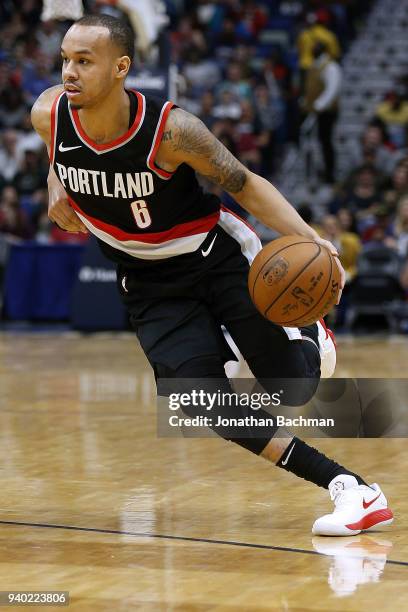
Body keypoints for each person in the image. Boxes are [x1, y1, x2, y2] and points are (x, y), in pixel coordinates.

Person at [31, 14, 393, 536]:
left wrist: (314, 240)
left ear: (121, 68)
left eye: (84, 61)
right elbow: (58, 152)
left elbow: (244, 184)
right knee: (201, 400)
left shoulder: (173, 132)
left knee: (290, 387)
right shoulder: (49, 113)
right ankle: (350, 488)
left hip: (213, 257)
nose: (69, 71)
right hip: (145, 281)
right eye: (65, 59)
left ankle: (311, 336)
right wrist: (53, 182)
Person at [304, 41, 342, 184]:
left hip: (326, 111)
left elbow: (332, 89)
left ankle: (329, 173)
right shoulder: (315, 66)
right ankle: (315, 172)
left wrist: (320, 104)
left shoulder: (330, 66)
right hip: (314, 110)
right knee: (316, 141)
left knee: (326, 141)